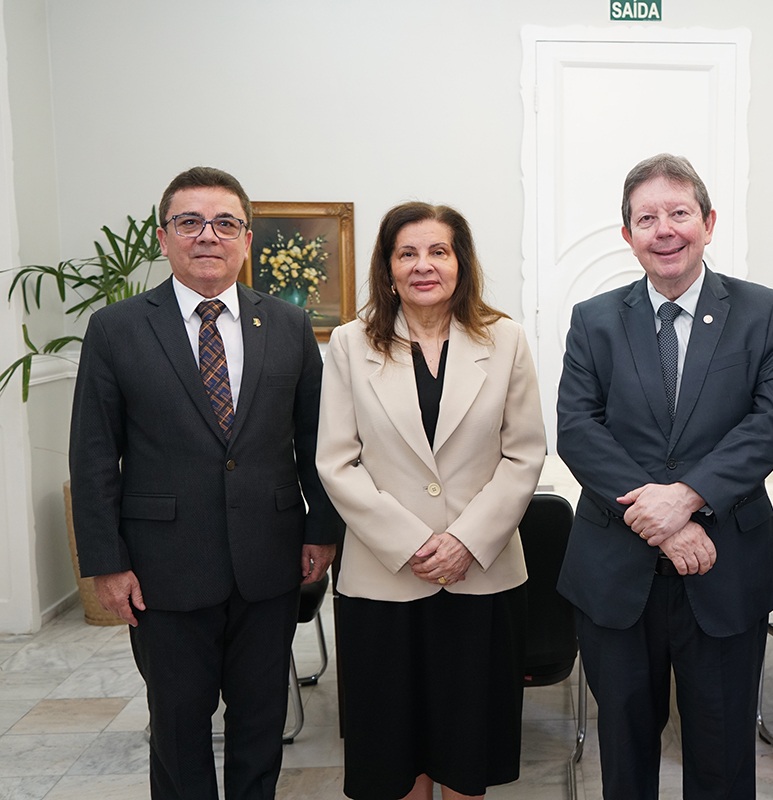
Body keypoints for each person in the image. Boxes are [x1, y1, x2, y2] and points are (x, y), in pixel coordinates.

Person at [68, 166, 342, 800]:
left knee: (259, 725)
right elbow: (92, 455)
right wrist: (105, 564)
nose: (207, 236)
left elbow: (315, 440)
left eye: (225, 222)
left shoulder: (289, 326)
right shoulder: (117, 329)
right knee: (178, 729)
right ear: (164, 238)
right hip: (162, 570)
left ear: (247, 238)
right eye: (189, 222)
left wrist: (322, 533)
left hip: (269, 563)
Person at [556, 154, 773, 799]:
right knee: (626, 748)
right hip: (616, 569)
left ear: (709, 222)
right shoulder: (594, 319)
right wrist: (664, 526)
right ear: (628, 234)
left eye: (679, 213)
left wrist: (687, 499)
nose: (664, 229)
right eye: (646, 218)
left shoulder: (761, 311)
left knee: (722, 752)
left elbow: (772, 422)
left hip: (727, 566)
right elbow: (579, 430)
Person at [316, 202, 545, 800]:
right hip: (385, 579)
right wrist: (414, 541)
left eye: (438, 251)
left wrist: (466, 541)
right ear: (387, 268)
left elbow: (524, 455)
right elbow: (336, 461)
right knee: (395, 748)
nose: (424, 266)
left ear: (461, 264)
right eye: (407, 253)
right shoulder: (348, 345)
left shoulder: (507, 340)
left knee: (470, 744)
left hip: (482, 575)